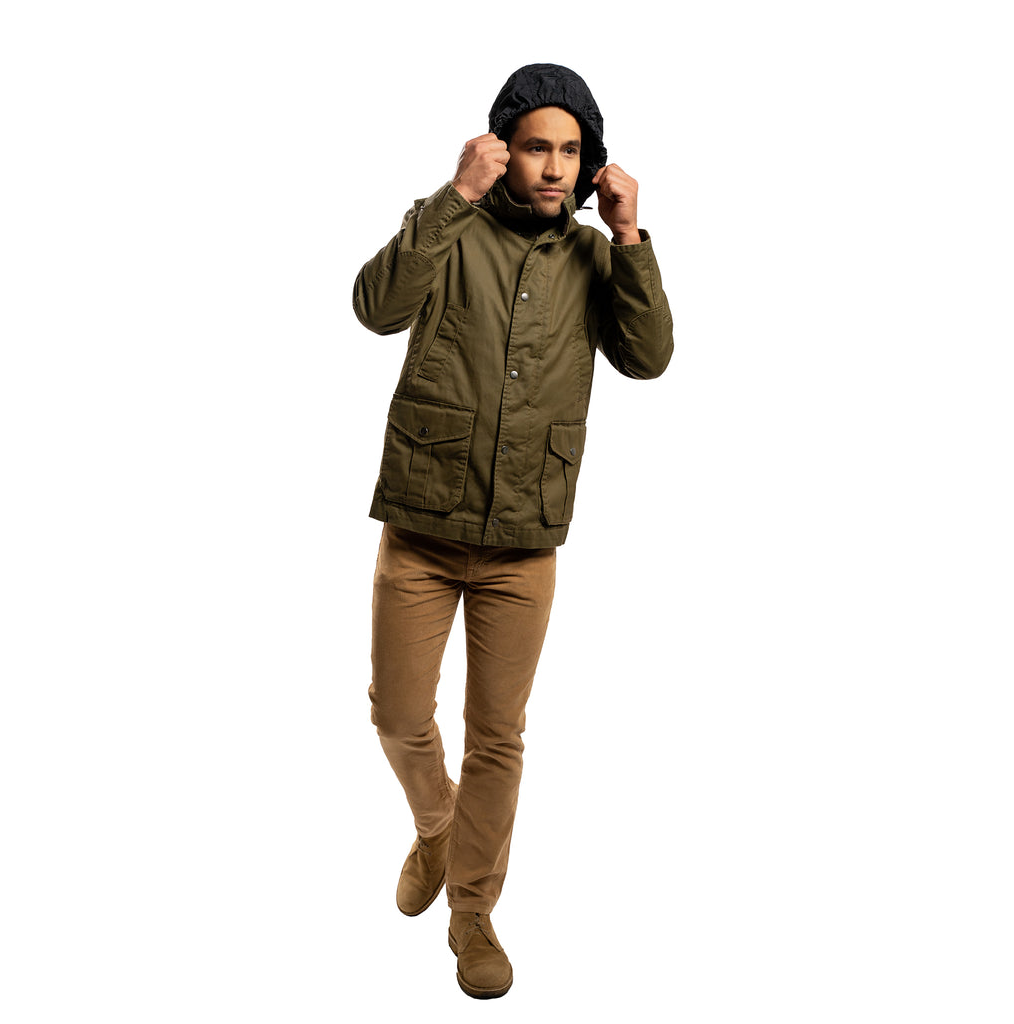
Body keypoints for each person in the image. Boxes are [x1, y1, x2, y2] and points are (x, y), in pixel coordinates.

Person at [352, 63, 674, 999]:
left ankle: (473, 911)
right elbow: (376, 308)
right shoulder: (449, 228)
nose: (554, 168)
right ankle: (437, 828)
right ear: (502, 149)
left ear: (591, 162)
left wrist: (631, 237)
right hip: (422, 524)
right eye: (537, 147)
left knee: (497, 736)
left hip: (525, 539)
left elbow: (649, 359)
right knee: (397, 715)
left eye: (571, 151)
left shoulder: (597, 257)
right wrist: (452, 196)